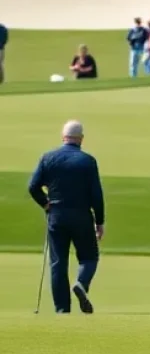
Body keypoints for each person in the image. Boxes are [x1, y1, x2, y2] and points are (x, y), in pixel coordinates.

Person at [27, 120, 105, 314]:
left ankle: (62, 310)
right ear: (81, 139)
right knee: (89, 257)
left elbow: (32, 186)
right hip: (81, 216)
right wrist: (100, 221)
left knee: (58, 263)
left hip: (56, 215)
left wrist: (45, 203)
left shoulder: (48, 158)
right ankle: (81, 283)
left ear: (63, 137)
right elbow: (96, 194)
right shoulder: (87, 161)